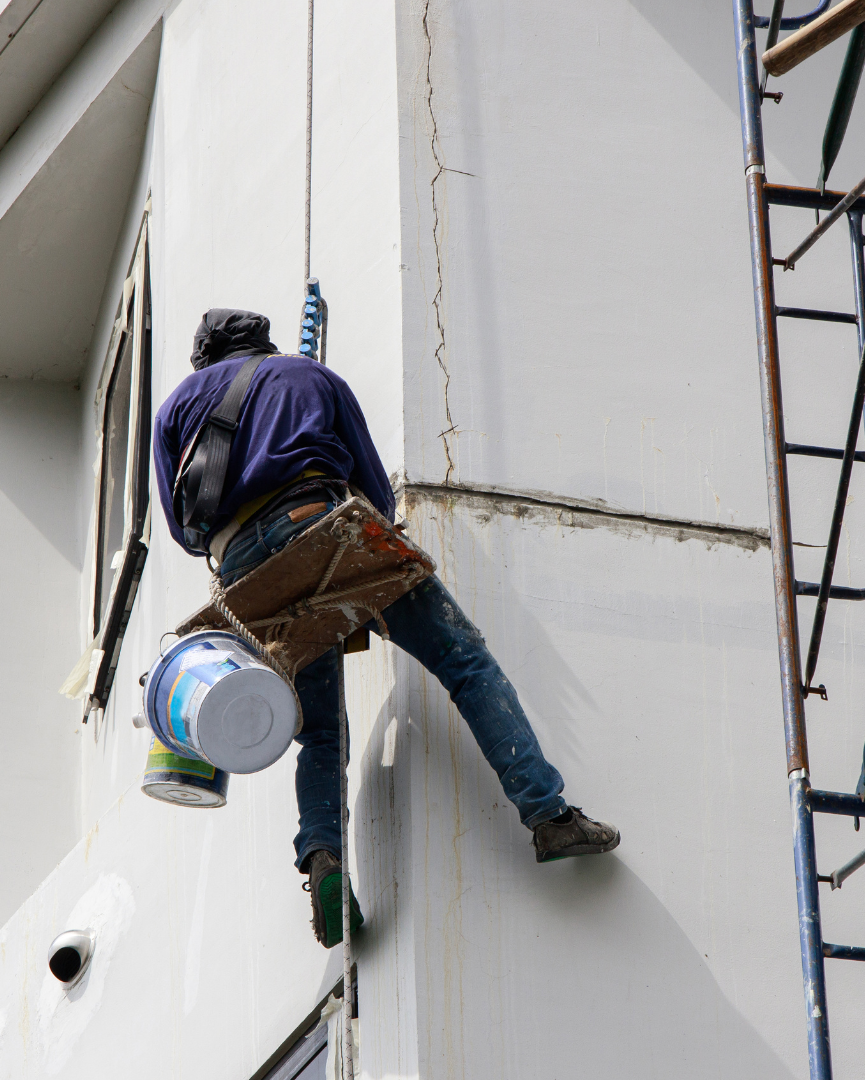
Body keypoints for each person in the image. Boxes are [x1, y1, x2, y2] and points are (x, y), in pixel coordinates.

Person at [154, 308, 620, 948]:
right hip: (322, 523)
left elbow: (184, 532)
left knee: (319, 731)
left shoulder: (177, 408)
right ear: (263, 343)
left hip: (247, 579)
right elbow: (374, 486)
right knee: (464, 662)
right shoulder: (307, 375)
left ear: (204, 360)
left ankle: (323, 857)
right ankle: (548, 815)